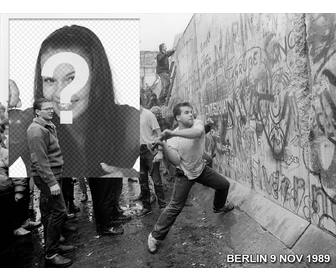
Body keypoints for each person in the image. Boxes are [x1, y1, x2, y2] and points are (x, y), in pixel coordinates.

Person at [32, 25, 138, 234]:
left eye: (73, 78)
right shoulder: (38, 125)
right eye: (51, 80)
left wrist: (126, 170)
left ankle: (105, 222)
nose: (62, 93)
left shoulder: (127, 120)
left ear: (97, 78)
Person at [147, 102, 234, 253]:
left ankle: (219, 206)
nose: (191, 114)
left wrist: (172, 134)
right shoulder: (172, 140)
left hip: (201, 169)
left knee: (223, 185)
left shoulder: (197, 124)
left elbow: (198, 133)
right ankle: (154, 236)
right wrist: (163, 145)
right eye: (186, 112)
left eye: (191, 112)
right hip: (185, 175)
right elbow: (175, 161)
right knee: (175, 206)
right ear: (178, 117)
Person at [27, 98, 74, 267]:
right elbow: (39, 161)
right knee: (60, 211)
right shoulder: (36, 131)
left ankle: (53, 245)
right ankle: (51, 253)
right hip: (48, 177)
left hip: (52, 175)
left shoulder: (48, 126)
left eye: (51, 108)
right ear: (37, 112)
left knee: (48, 212)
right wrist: (52, 182)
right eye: (47, 109)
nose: (51, 110)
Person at [138, 96, 166, 217]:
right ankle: (146, 207)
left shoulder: (148, 115)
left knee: (156, 180)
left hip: (150, 150)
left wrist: (160, 151)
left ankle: (163, 205)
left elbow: (159, 134)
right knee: (142, 181)